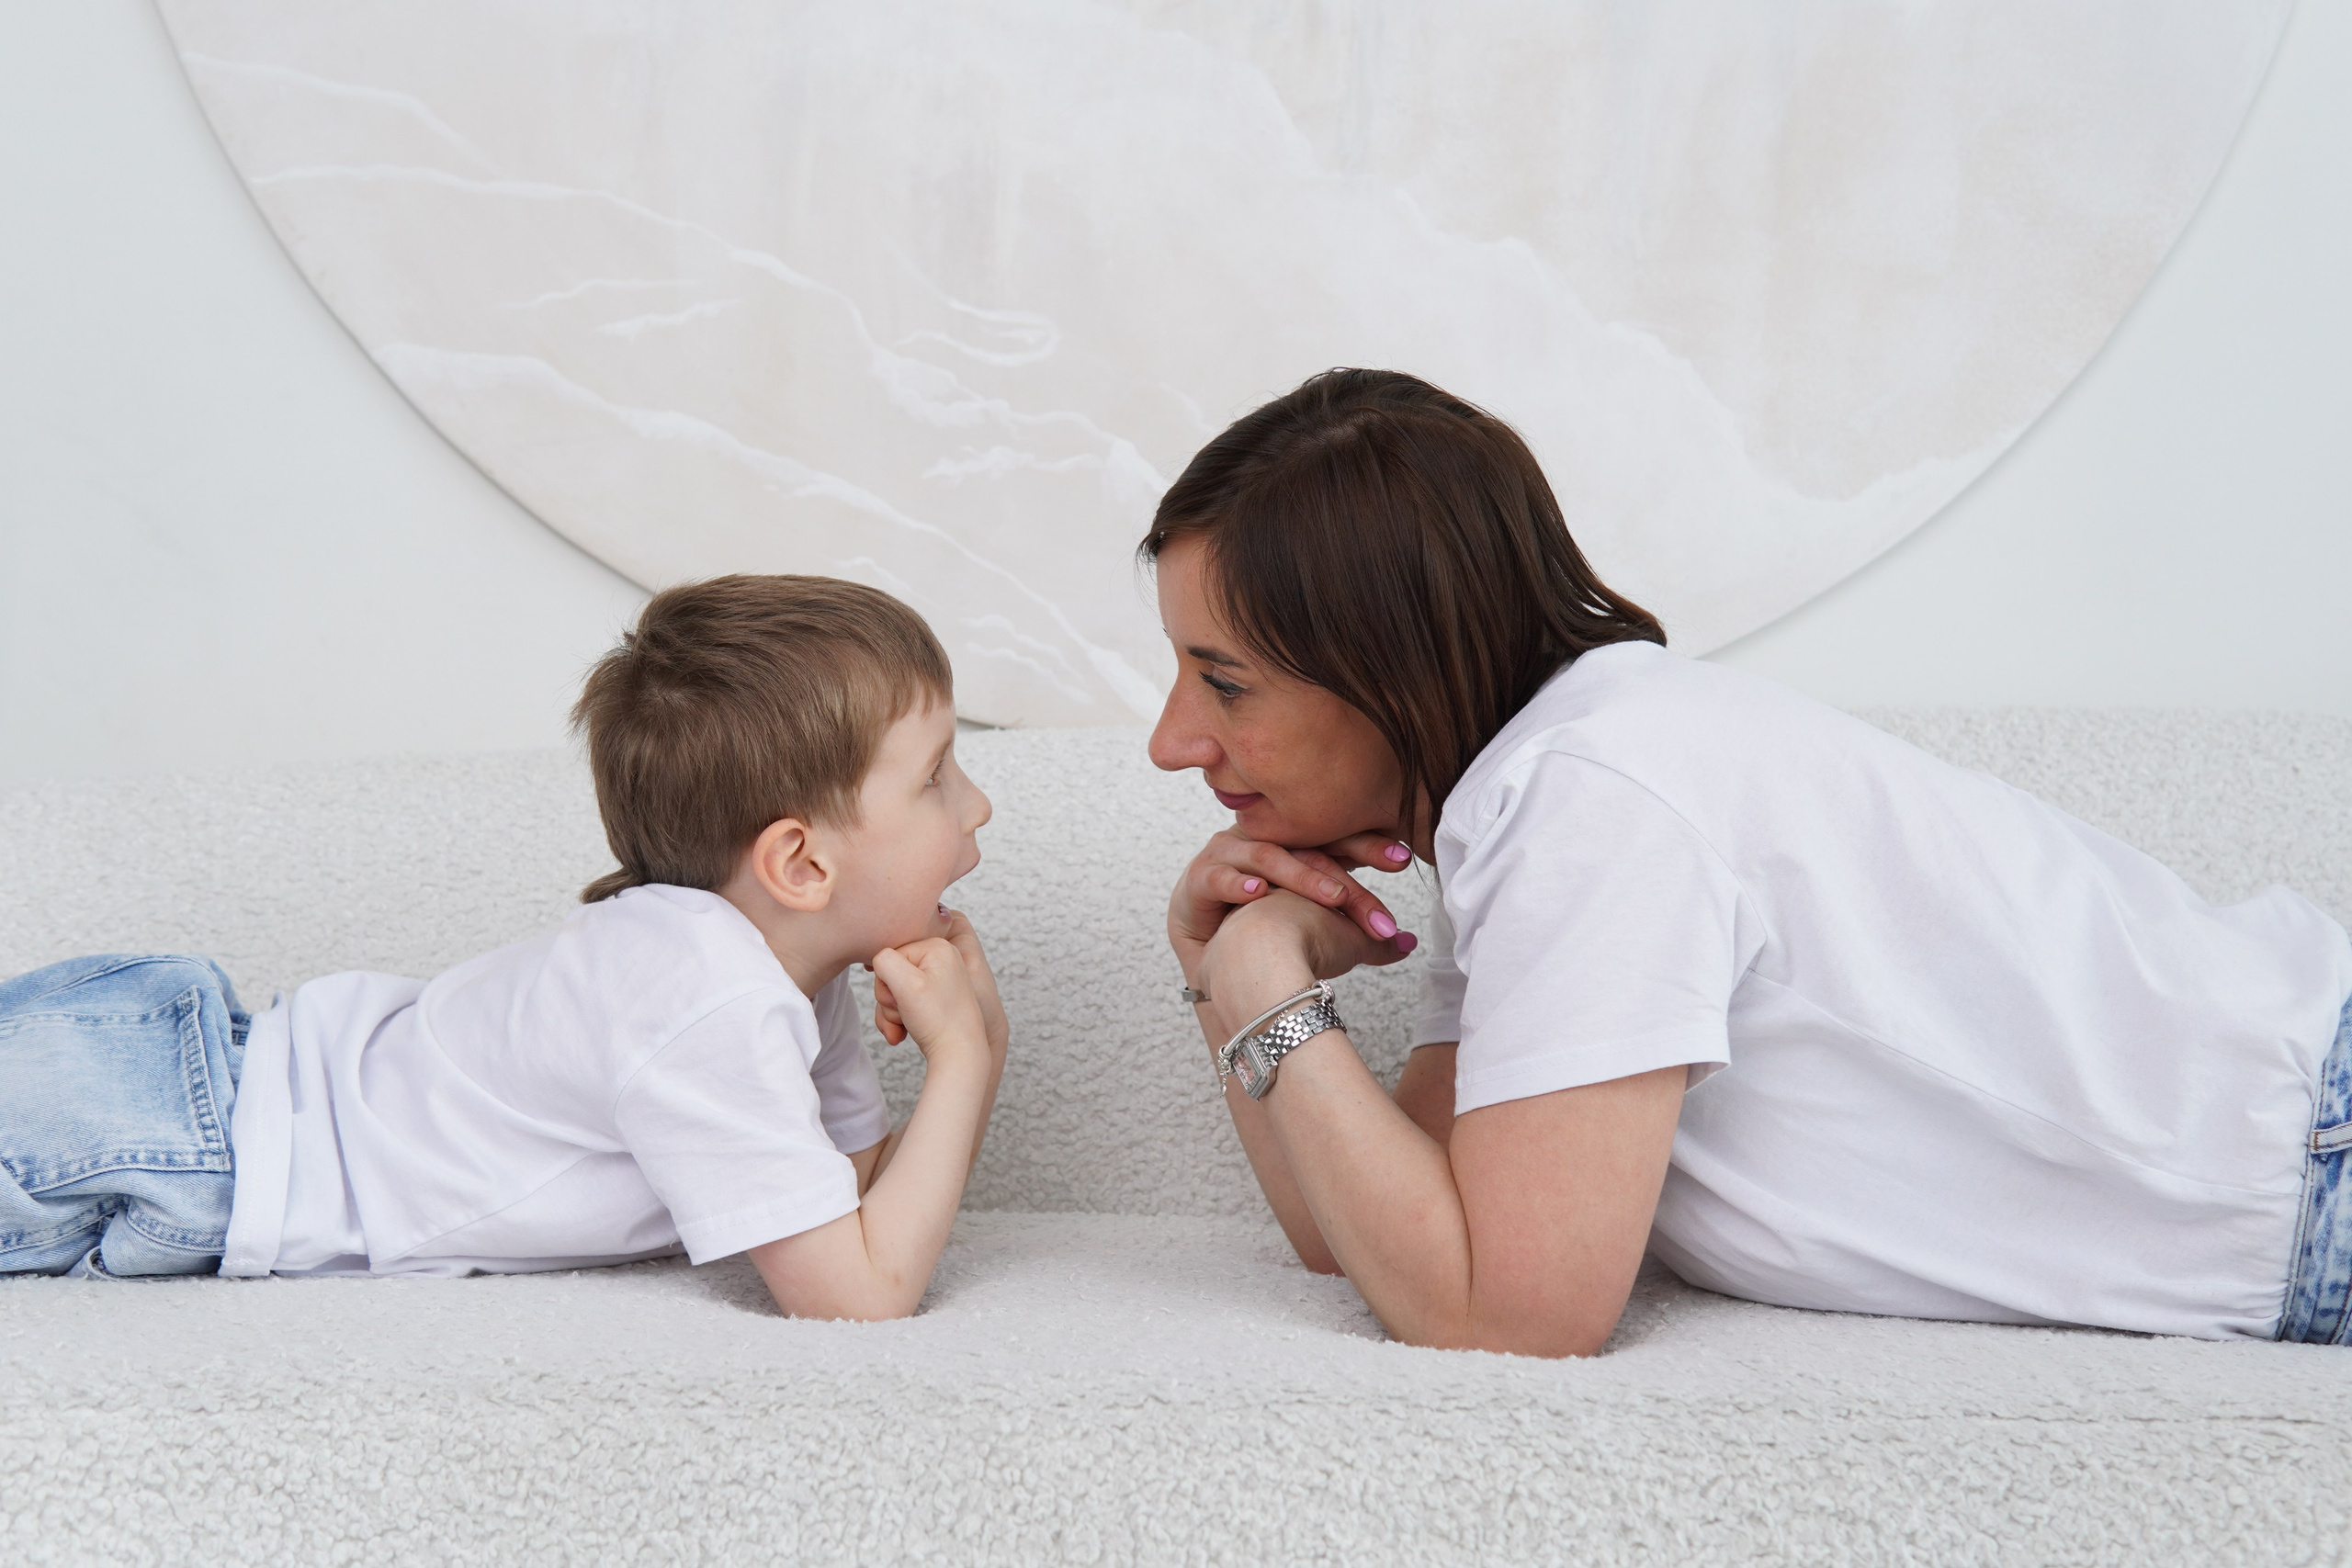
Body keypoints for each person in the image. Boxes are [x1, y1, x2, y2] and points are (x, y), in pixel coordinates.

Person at [1145, 367, 2352, 1357]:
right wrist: (1227, 964)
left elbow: (1504, 1315)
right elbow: (1366, 1230)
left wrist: (1269, 986)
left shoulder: (1595, 798)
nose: (1170, 740)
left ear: (1392, 665)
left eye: (1225, 680)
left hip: (2314, 1145)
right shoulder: (1541, 791)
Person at [0, 576, 1007, 1321]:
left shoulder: (772, 967)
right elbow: (855, 1299)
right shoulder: (707, 996)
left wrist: (945, 1034)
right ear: (798, 864)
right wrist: (969, 1060)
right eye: (935, 777)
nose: (978, 807)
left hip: (177, 1093)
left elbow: (846, 1203)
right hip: (173, 1130)